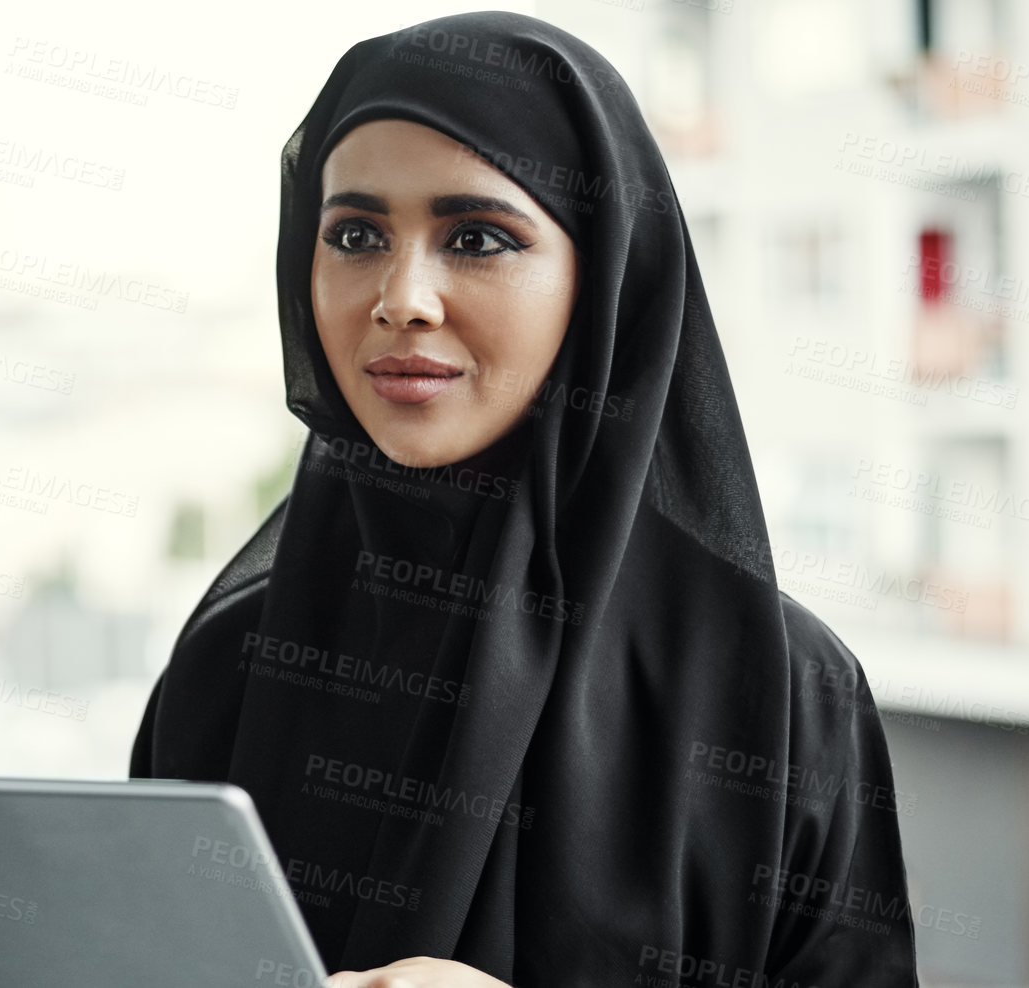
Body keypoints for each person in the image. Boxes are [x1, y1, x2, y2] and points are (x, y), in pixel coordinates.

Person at [130, 13, 917, 987]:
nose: (401, 297)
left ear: (603, 279)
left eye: (477, 237)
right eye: (357, 233)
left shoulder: (779, 693)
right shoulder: (233, 661)